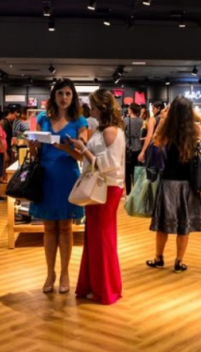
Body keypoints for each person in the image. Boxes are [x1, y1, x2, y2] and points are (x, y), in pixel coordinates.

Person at [30, 79, 88, 294]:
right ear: (54, 96)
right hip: (45, 177)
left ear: (73, 97)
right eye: (60, 93)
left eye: (68, 94)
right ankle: (50, 273)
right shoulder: (42, 118)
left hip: (67, 178)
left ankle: (64, 273)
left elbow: (82, 156)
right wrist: (32, 146)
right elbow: (35, 154)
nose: (64, 98)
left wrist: (65, 148)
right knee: (48, 228)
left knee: (65, 227)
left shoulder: (80, 121)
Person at [67, 89, 126, 304]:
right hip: (102, 188)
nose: (90, 111)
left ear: (101, 108)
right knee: (97, 238)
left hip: (105, 189)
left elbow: (108, 164)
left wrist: (83, 149)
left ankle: (105, 289)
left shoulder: (110, 131)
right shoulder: (105, 130)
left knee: (102, 238)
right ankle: (98, 285)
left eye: (93, 107)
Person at [146, 96, 201, 273]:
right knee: (184, 225)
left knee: (163, 224)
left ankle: (159, 258)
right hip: (188, 184)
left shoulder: (167, 130)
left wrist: (164, 119)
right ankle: (179, 262)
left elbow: (155, 141)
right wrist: (195, 114)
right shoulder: (194, 130)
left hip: (168, 182)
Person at [124, 103, 144, 194]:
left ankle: (128, 192)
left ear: (131, 110)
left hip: (128, 147)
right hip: (138, 146)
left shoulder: (125, 120)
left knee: (127, 172)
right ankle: (136, 192)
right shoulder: (141, 120)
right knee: (136, 170)